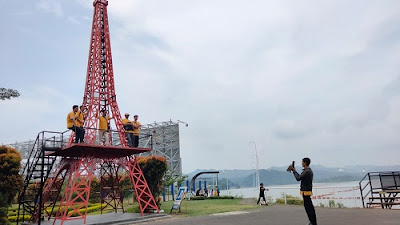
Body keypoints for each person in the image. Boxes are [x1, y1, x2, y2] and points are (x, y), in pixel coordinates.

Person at [289, 158, 317, 225]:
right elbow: (300, 177)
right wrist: (294, 171)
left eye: (302, 162)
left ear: (305, 163)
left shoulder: (307, 171)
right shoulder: (307, 171)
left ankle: (313, 222)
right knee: (309, 207)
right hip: (306, 191)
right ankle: (312, 222)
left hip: (306, 191)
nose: (301, 163)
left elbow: (298, 178)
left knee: (309, 208)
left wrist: (294, 171)